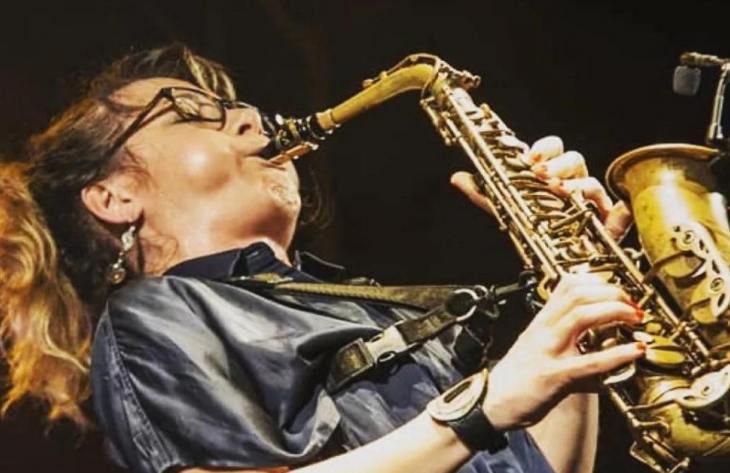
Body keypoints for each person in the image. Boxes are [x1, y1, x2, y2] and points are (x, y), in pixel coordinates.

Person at [0, 44, 642, 473]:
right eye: (192, 115)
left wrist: (578, 303)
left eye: (237, 106)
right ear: (114, 196)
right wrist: (481, 408)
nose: (250, 118)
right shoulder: (156, 312)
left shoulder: (358, 305)